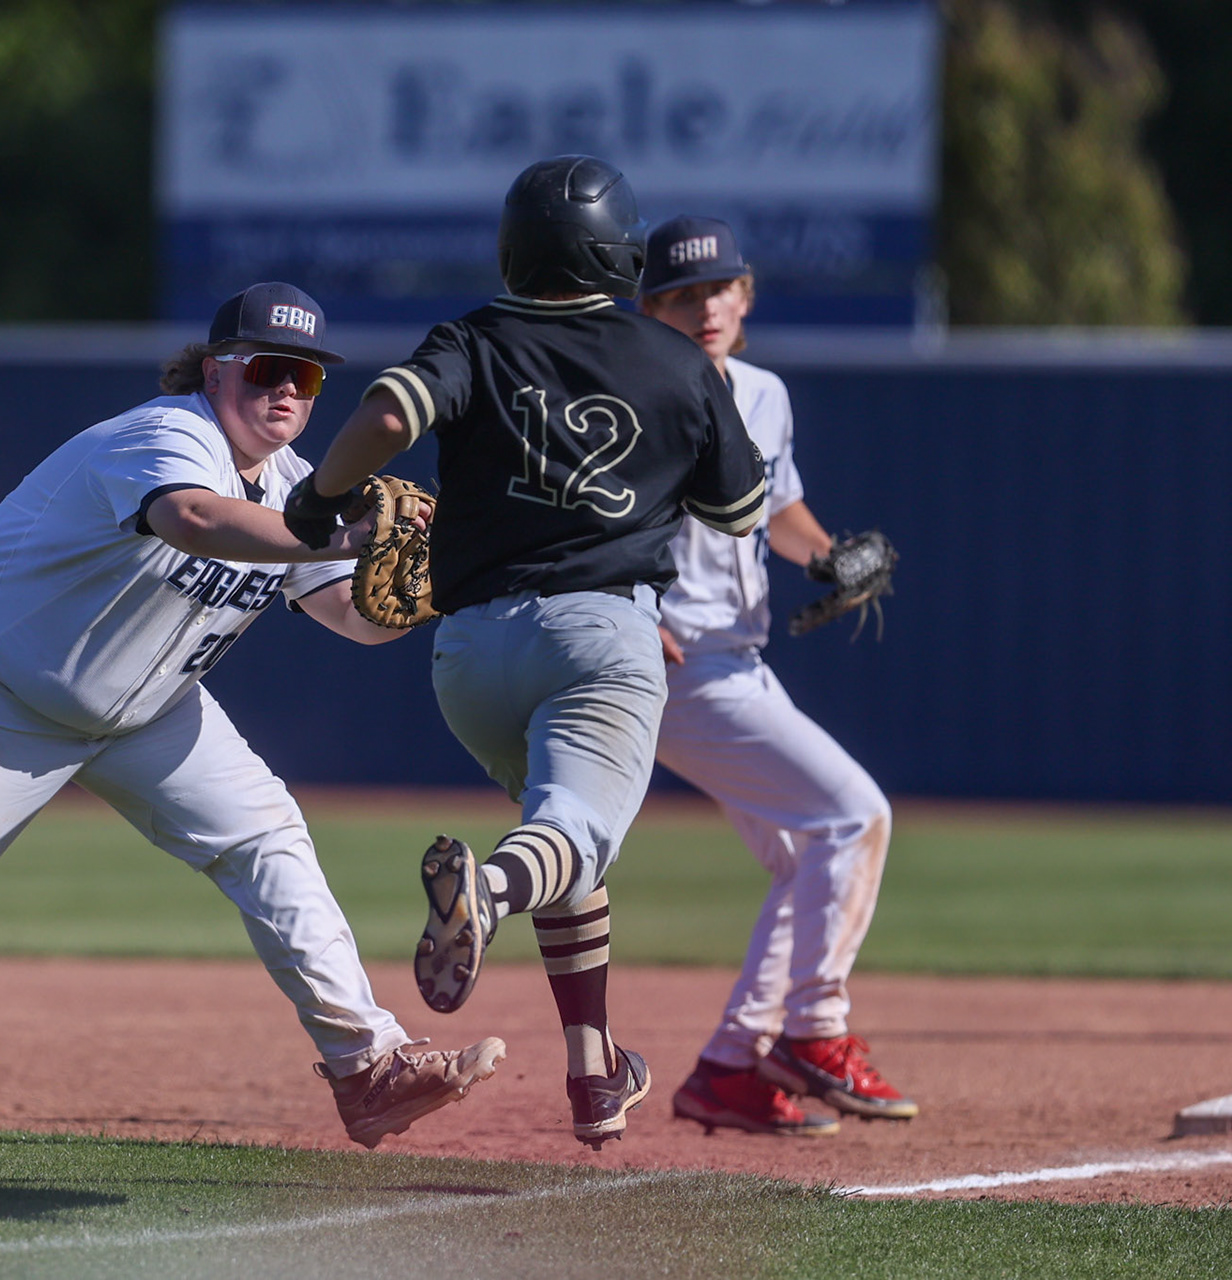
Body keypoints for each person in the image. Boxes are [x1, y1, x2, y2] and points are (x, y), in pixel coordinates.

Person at [0, 282, 506, 1151]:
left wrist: (455, 579)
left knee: (268, 839)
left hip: (146, 713)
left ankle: (368, 1067)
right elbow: (193, 518)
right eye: (267, 368)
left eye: (308, 375)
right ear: (216, 370)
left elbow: (353, 619)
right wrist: (336, 536)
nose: (286, 389)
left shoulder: (299, 487)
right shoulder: (167, 433)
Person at [285, 158, 767, 1149]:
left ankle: (594, 1072)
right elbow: (741, 508)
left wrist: (315, 499)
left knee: (558, 824)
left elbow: (385, 414)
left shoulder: (474, 337)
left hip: (468, 655)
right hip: (601, 637)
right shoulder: (678, 361)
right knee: (565, 835)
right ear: (620, 251)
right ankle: (487, 890)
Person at [634, 217, 918, 1137]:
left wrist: (829, 557)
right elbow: (596, 525)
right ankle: (816, 1030)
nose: (704, 306)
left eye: (718, 289)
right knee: (854, 813)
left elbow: (777, 510)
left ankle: (727, 1068)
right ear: (649, 311)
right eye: (681, 294)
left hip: (739, 659)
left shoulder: (761, 394)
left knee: (806, 861)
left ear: (745, 296)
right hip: (676, 665)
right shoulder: (633, 398)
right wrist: (630, 612)